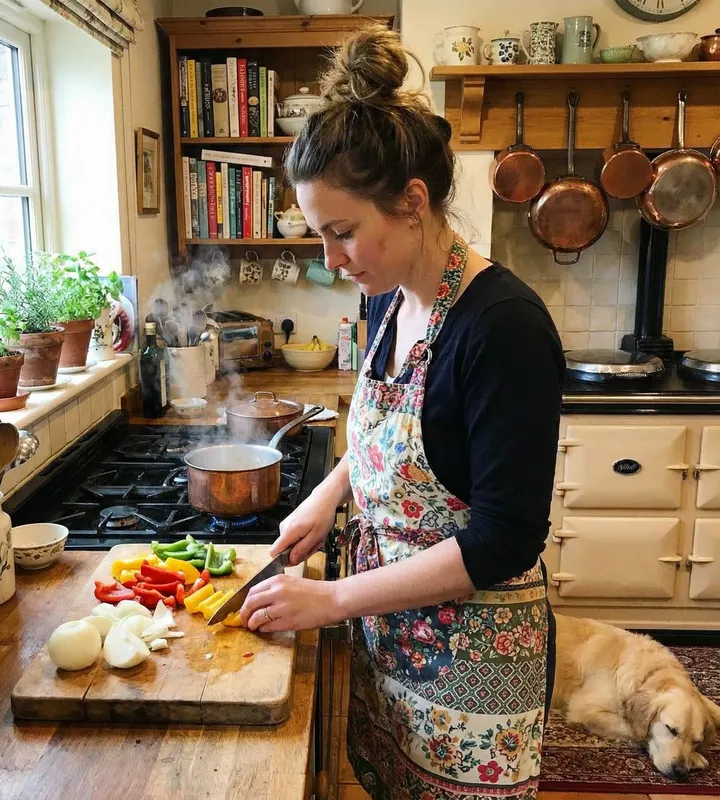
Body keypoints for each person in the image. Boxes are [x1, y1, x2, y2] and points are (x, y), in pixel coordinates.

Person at [239, 24, 564, 800]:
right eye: (321, 234)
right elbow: (395, 436)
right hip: (394, 640)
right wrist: (329, 492)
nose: (330, 260)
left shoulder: (503, 328)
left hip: (474, 666)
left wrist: (331, 600)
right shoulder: (388, 303)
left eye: (342, 233)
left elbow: (504, 539)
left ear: (413, 202)